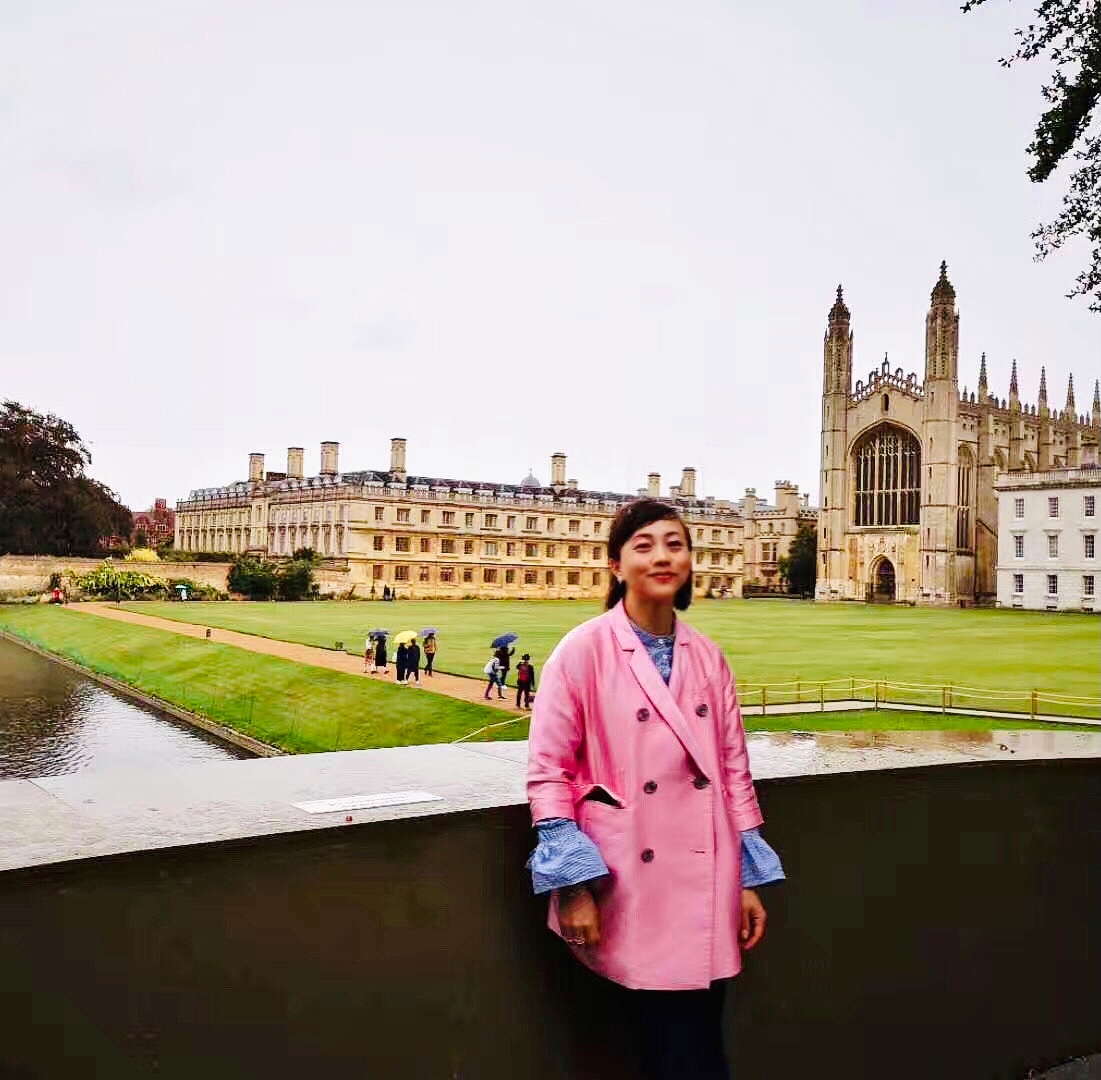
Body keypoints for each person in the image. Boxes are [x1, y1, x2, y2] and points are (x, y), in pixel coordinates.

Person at [526, 499, 785, 1080]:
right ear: (615, 565)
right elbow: (549, 773)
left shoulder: (709, 658)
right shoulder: (583, 650)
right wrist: (573, 886)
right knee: (667, 1052)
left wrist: (746, 879)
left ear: (690, 560)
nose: (662, 557)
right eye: (643, 546)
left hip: (707, 877)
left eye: (675, 544)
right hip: (626, 882)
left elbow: (733, 773)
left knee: (700, 1046)